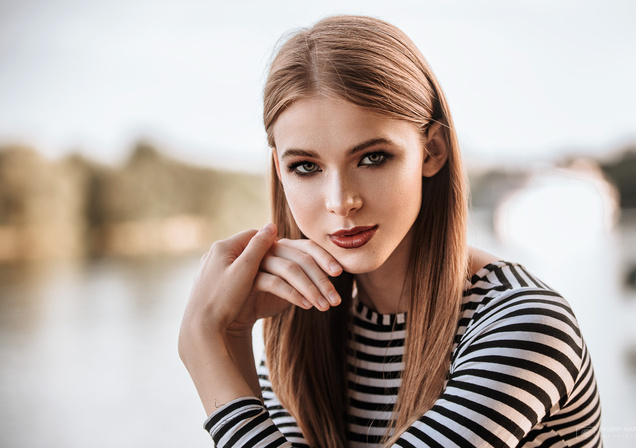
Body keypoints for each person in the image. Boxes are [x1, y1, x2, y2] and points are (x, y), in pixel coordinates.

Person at [178, 15, 602, 447]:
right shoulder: (301, 331)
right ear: (280, 173)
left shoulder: (524, 323)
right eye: (306, 167)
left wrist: (205, 348)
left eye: (373, 157)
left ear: (431, 151)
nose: (340, 200)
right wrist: (234, 337)